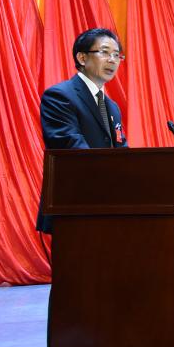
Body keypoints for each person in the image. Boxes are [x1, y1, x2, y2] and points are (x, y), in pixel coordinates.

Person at [38, 28, 128, 233]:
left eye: (117, 55)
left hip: (109, 207)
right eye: (104, 52)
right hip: (74, 204)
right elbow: (70, 146)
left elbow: (121, 149)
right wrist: (110, 179)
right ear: (82, 57)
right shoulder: (60, 96)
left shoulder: (112, 106)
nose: (112, 60)